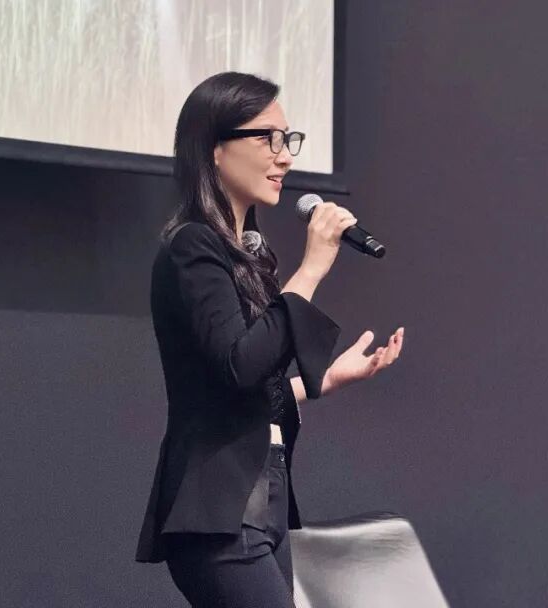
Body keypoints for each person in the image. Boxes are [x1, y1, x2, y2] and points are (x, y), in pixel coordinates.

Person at [134, 71, 405, 607]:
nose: (284, 156)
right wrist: (312, 268)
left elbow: (243, 385)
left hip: (264, 505)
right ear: (214, 149)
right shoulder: (193, 247)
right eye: (268, 138)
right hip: (220, 512)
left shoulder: (248, 256)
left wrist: (325, 380)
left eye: (288, 139)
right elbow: (239, 365)